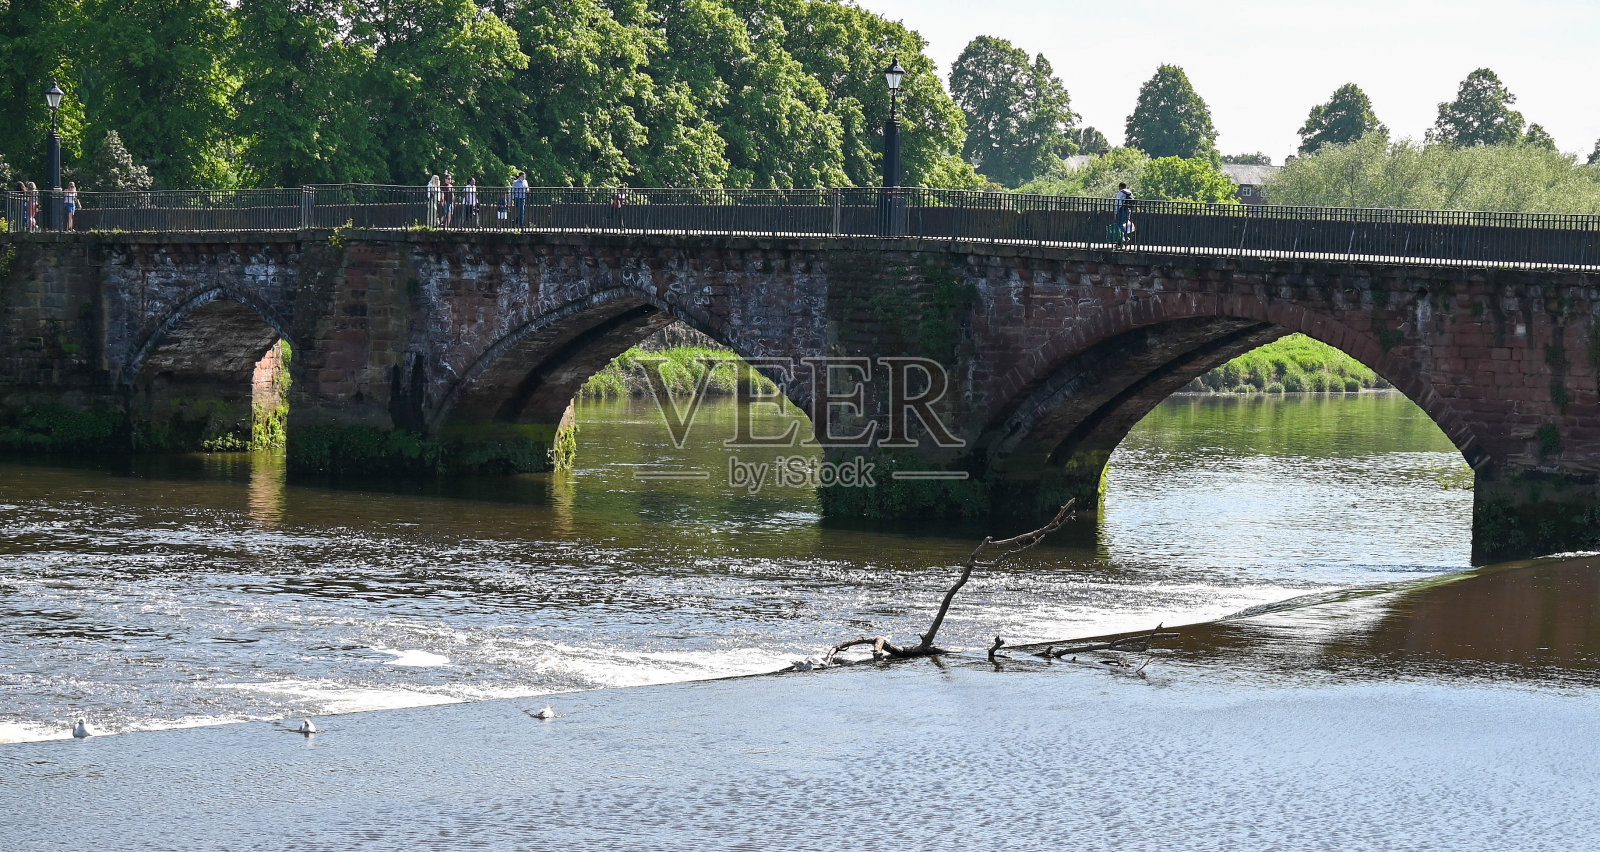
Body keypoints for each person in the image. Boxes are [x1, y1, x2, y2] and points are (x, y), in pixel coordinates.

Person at [1113, 182, 1135, 247]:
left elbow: (1118, 203)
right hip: (1128, 210)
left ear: (1120, 187)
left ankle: (1125, 238)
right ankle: (1120, 242)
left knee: (1119, 224)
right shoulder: (1129, 192)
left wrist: (1115, 213)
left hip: (1121, 209)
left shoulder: (1121, 192)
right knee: (1123, 225)